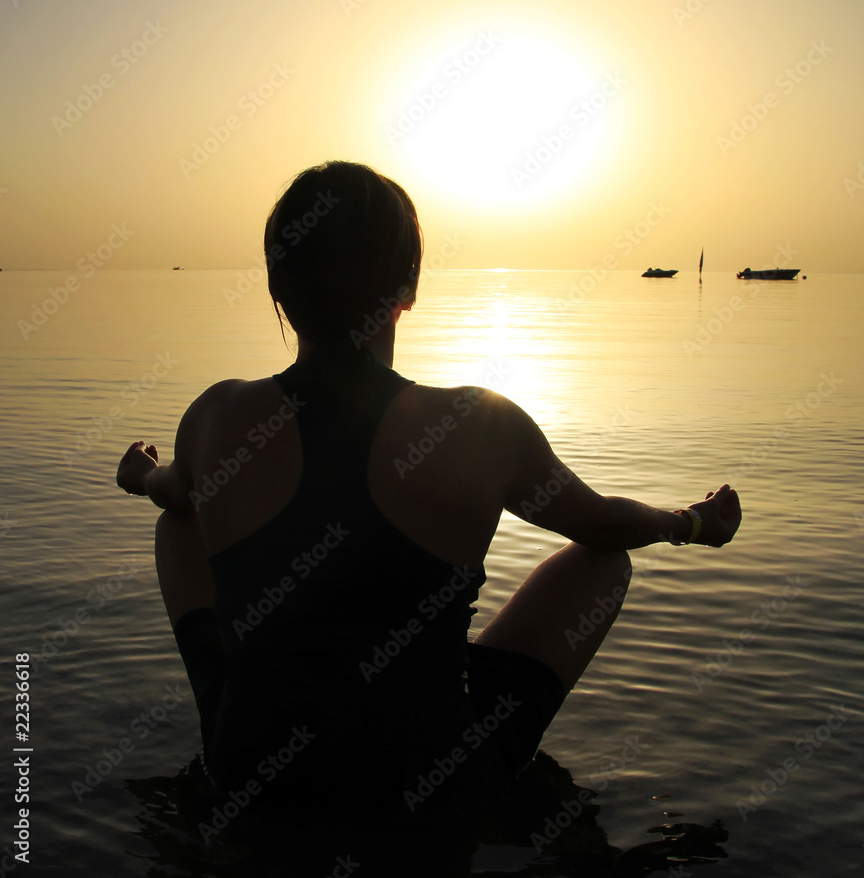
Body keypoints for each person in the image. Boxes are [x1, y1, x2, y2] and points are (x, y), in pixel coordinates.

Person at [116, 161, 741, 827]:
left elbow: (162, 488)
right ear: (408, 287)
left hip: (246, 772)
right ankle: (416, 677)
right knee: (605, 559)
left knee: (177, 516)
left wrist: (142, 471)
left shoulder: (217, 417)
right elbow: (603, 522)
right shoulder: (477, 424)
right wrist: (688, 521)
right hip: (429, 785)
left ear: (277, 284)